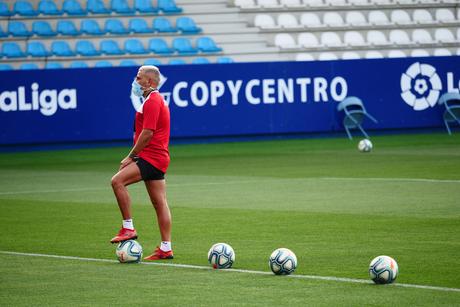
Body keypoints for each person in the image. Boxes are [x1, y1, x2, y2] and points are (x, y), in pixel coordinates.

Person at [110, 65, 173, 261]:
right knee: (159, 203)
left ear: (150, 82)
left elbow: (148, 133)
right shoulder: (152, 100)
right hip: (157, 156)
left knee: (117, 182)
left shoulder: (153, 101)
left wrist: (131, 156)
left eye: (139, 78)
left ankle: (128, 227)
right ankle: (165, 248)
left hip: (151, 156)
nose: (135, 81)